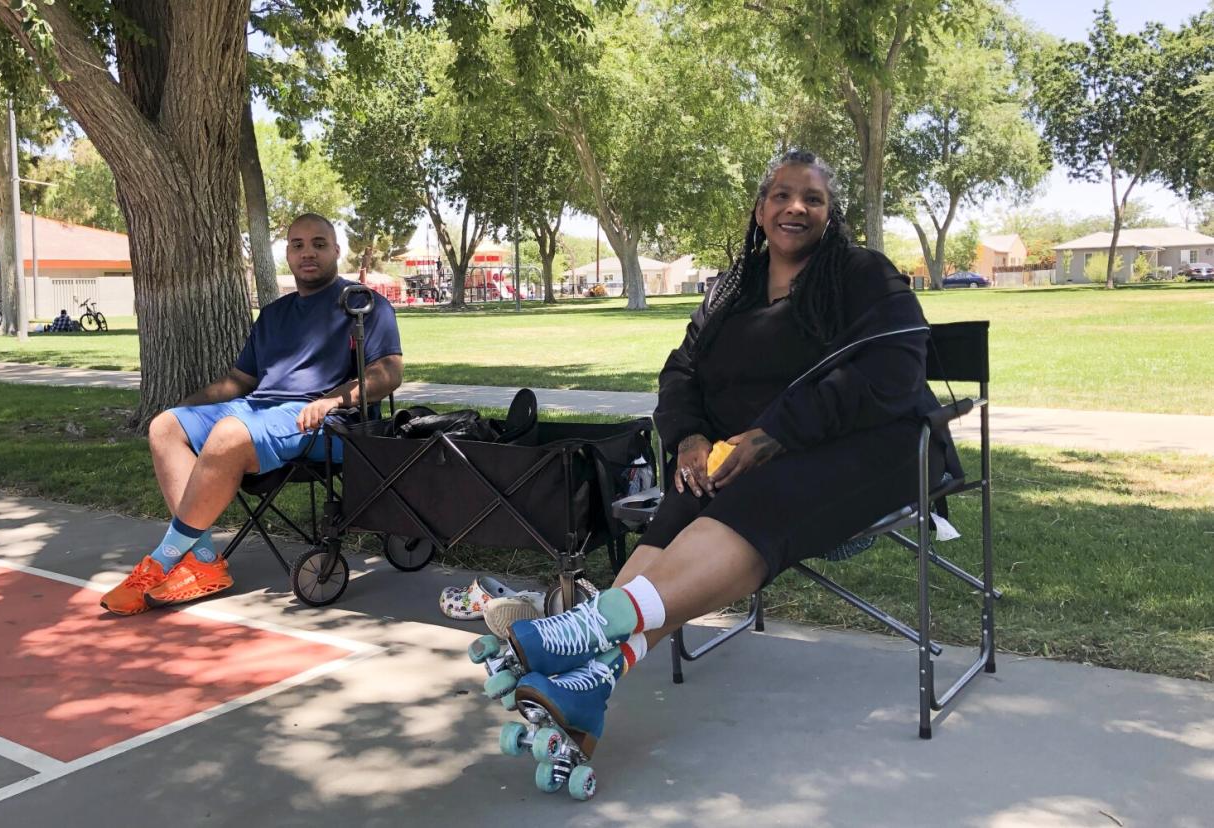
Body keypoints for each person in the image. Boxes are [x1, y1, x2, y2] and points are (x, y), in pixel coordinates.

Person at [478, 149, 962, 762]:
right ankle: (589, 686)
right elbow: (681, 372)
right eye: (782, 195)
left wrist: (772, 435)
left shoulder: (864, 273)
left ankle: (580, 631)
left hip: (879, 449)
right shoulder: (732, 288)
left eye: (812, 198)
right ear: (760, 209)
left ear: (829, 212)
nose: (796, 207)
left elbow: (892, 375)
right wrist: (689, 438)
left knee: (760, 493)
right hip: (749, 454)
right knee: (687, 497)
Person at [101, 213, 404, 615]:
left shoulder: (363, 305)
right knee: (165, 426)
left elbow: (388, 373)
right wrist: (184, 405)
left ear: (335, 250)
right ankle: (204, 562)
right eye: (297, 245)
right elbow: (237, 382)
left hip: (319, 421)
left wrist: (333, 400)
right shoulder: (274, 314)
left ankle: (163, 560)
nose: (307, 252)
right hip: (257, 409)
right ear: (288, 254)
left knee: (229, 432)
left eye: (318, 243)